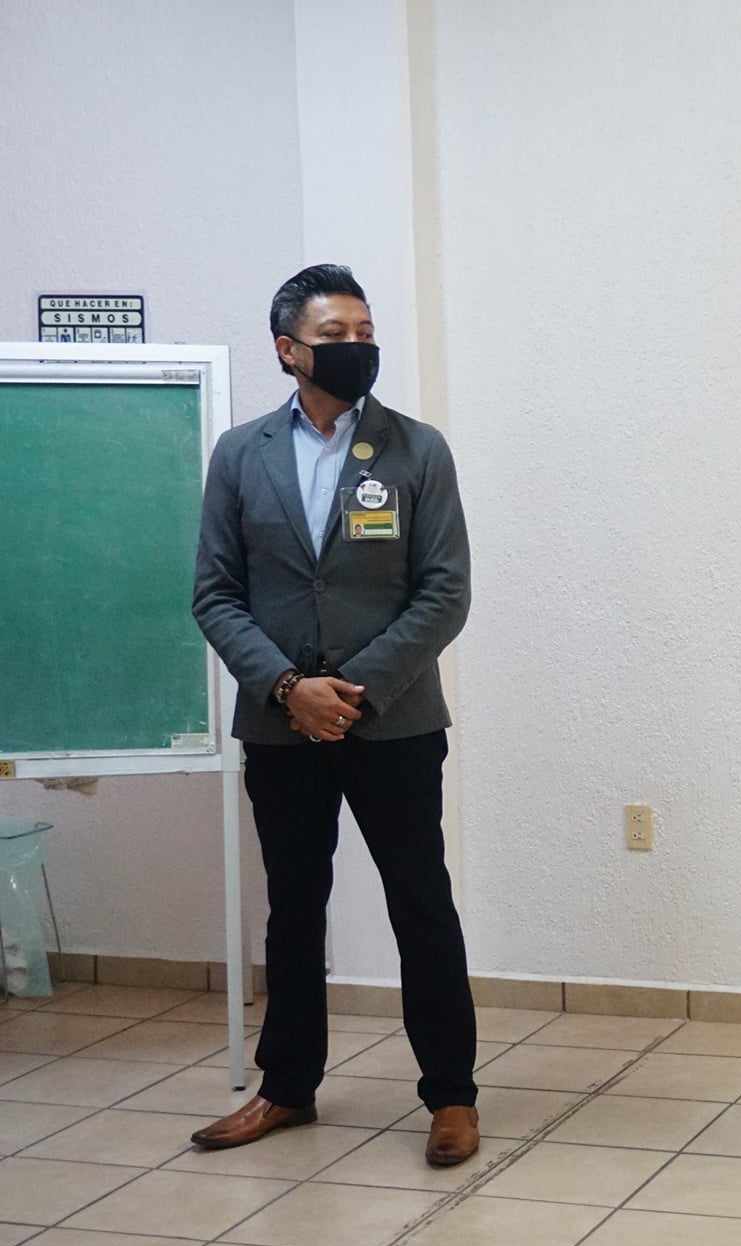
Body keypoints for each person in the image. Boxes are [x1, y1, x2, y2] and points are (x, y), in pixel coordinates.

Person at [190, 264, 481, 1166]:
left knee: (420, 905)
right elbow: (215, 594)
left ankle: (452, 1095)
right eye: (335, 335)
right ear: (289, 350)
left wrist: (350, 689)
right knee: (293, 911)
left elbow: (445, 592)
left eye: (366, 331)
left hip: (391, 722)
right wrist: (289, 688)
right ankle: (286, 1086)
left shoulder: (417, 450)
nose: (358, 347)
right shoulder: (240, 454)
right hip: (281, 728)